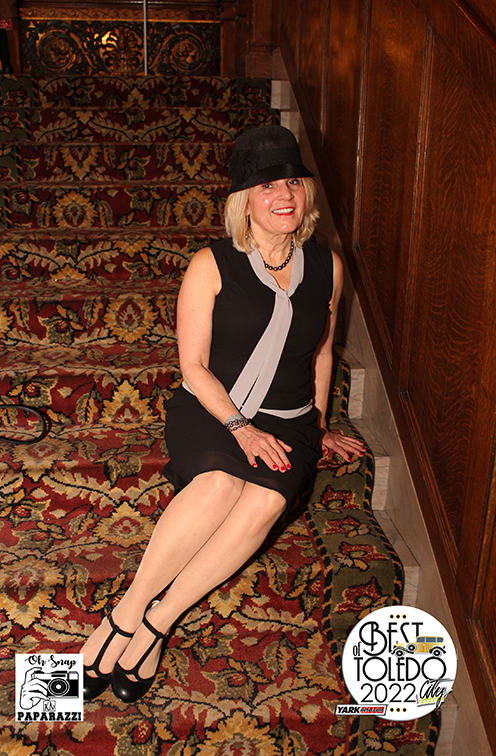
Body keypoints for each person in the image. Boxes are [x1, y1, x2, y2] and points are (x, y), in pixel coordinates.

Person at [81, 124, 365, 704]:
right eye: (267, 186)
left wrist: (318, 424)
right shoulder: (210, 264)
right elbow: (192, 365)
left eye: (293, 182)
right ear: (244, 201)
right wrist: (242, 429)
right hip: (214, 407)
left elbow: (322, 353)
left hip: (289, 418)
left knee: (264, 501)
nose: (284, 195)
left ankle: (158, 622)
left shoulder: (328, 266)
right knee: (217, 485)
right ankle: (125, 614)